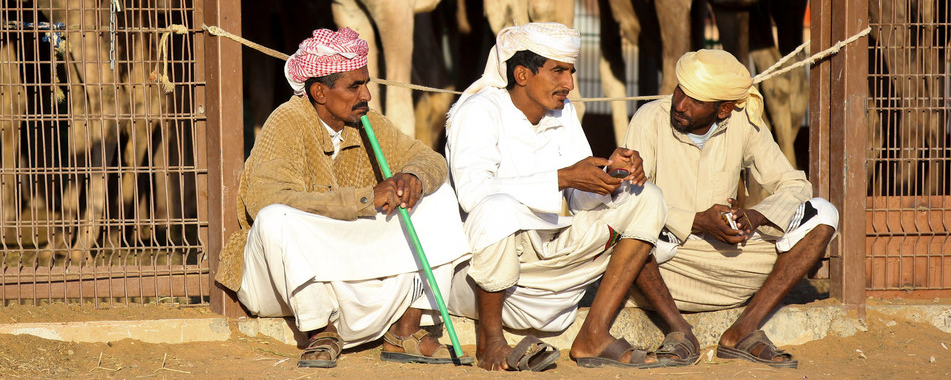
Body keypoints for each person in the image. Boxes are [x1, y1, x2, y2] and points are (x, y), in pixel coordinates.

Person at [215, 27, 469, 369]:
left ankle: (407, 329)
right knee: (275, 219)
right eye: (354, 86)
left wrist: (413, 178)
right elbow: (266, 199)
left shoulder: (367, 122)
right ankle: (321, 330)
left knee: (438, 199)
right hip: (280, 277)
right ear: (320, 91)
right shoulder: (286, 122)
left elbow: (430, 159)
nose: (366, 95)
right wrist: (363, 200)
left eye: (366, 84)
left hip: (346, 260)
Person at [445, 22, 671, 371]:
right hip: (489, 281)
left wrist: (608, 178)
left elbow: (579, 200)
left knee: (647, 197)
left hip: (554, 272)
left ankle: (594, 334)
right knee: (496, 210)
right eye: (558, 72)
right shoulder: (478, 110)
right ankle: (490, 343)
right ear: (521, 74)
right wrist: (563, 178)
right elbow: (474, 194)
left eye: (571, 71)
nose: (570, 84)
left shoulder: (563, 111)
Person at [625, 49, 840, 369]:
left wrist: (753, 217)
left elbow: (795, 184)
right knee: (623, 227)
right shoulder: (649, 118)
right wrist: (698, 221)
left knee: (824, 213)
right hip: (668, 267)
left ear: (724, 108)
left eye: (694, 99)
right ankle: (680, 331)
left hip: (733, 265)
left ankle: (743, 330)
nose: (680, 104)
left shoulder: (744, 124)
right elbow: (630, 199)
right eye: (679, 90)